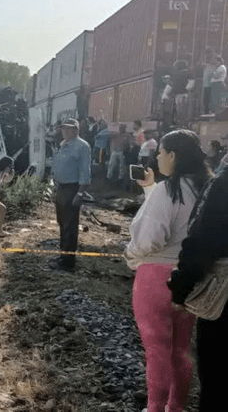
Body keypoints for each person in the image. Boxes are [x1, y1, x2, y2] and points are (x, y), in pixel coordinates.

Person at [125, 129, 210, 412]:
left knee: (156, 349)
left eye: (160, 153)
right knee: (181, 350)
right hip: (190, 278)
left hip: (154, 279)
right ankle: (175, 407)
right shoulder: (206, 190)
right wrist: (150, 188)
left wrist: (130, 254)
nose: (157, 158)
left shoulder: (168, 189)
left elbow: (151, 237)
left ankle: (154, 407)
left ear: (173, 155)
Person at [168, 166, 228, 411]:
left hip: (224, 303)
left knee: (218, 382)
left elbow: (202, 241)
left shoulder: (223, 183)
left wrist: (181, 288)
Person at [49, 118, 92, 272]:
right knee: (62, 223)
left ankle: (68, 262)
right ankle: (63, 255)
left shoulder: (82, 146)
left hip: (72, 189)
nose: (65, 131)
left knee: (70, 226)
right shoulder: (64, 144)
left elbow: (85, 173)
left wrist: (80, 193)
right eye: (63, 128)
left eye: (69, 128)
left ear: (76, 130)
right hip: (61, 188)